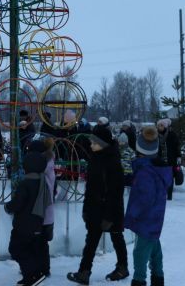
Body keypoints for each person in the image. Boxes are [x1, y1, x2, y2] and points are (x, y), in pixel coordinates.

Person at [67, 122, 128, 285]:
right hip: (95, 209)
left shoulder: (112, 162)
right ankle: (84, 272)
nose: (91, 145)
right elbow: (91, 187)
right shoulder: (96, 158)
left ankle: (122, 267)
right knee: (91, 241)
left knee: (116, 237)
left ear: (102, 144)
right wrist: (86, 209)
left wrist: (109, 216)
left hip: (110, 210)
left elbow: (115, 192)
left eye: (94, 142)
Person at [124, 126, 172, 286]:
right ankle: (158, 279)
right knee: (155, 250)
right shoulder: (156, 168)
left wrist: (133, 214)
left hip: (145, 220)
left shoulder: (145, 172)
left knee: (140, 253)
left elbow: (145, 198)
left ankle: (139, 280)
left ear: (139, 148)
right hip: (155, 219)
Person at [5, 150, 51, 286]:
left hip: (23, 224)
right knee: (31, 250)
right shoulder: (42, 181)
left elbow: (18, 203)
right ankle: (33, 275)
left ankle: (32, 276)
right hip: (37, 223)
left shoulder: (26, 183)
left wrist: (8, 207)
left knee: (16, 249)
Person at [25, 138, 56, 278]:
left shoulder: (40, 168)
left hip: (39, 211)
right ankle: (45, 268)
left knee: (36, 241)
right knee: (42, 242)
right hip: (47, 211)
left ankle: (38, 268)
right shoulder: (48, 164)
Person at [155, 118, 181, 200]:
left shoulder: (172, 135)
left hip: (170, 160)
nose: (159, 127)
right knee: (159, 177)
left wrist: (178, 156)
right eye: (158, 125)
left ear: (165, 126)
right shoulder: (155, 135)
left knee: (169, 178)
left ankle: (169, 195)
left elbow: (177, 147)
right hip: (159, 160)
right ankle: (161, 194)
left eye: (161, 125)